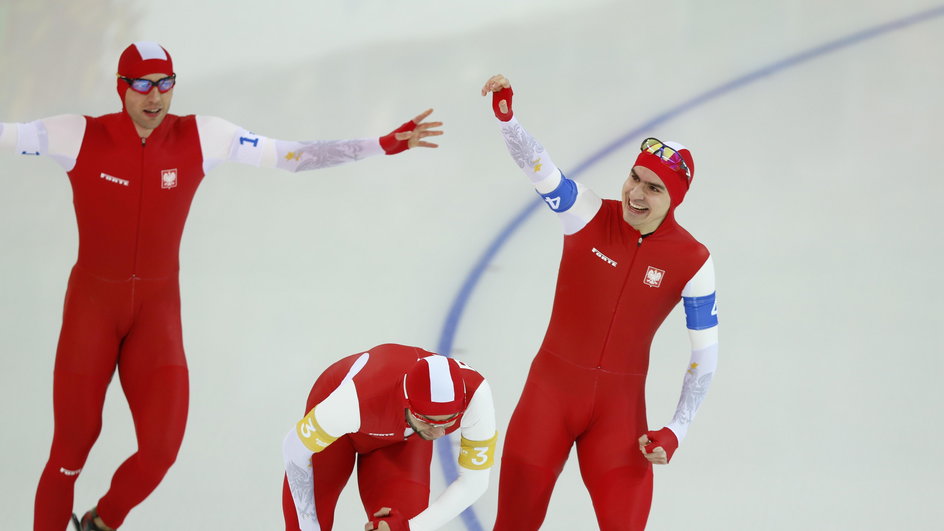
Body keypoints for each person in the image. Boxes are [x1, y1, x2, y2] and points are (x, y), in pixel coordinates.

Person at [0, 41, 443, 531]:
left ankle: (102, 521)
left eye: (165, 84)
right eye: (143, 85)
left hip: (155, 312)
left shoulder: (201, 136)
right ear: (121, 88)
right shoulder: (79, 134)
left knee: (161, 450)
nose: (155, 97)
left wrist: (381, 144)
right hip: (92, 311)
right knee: (70, 451)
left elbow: (290, 156)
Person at [480, 74, 719, 530]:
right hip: (547, 398)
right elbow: (538, 167)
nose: (636, 193)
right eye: (635, 177)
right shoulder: (586, 212)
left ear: (675, 199)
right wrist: (508, 120)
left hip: (619, 417)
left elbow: (705, 354)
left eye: (654, 188)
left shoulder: (693, 260)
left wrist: (676, 430)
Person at [281, 343, 497, 531]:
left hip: (404, 439)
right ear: (406, 403)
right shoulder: (353, 402)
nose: (439, 433)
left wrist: (410, 528)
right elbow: (294, 448)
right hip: (341, 433)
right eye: (429, 422)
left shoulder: (476, 396)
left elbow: (474, 482)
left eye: (448, 421)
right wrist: (308, 525)